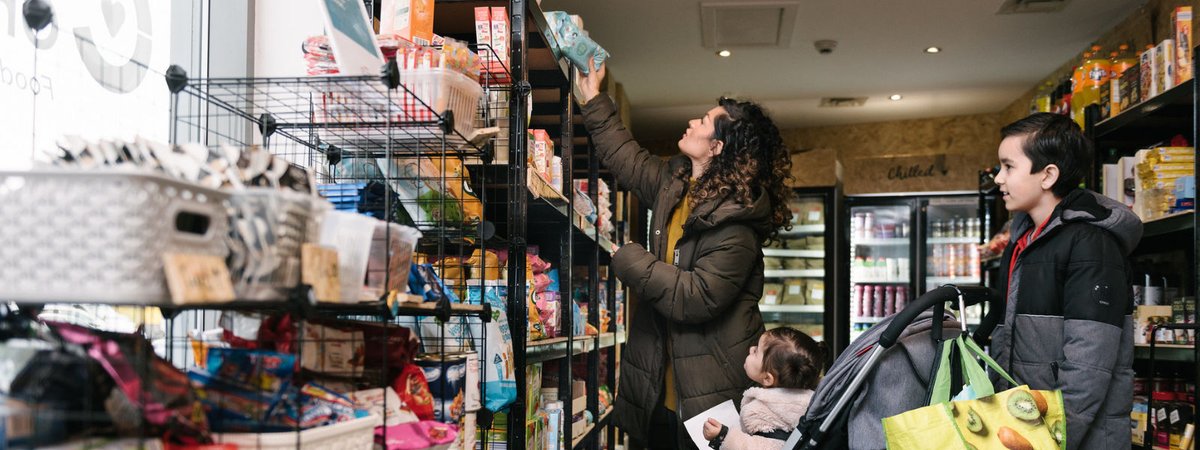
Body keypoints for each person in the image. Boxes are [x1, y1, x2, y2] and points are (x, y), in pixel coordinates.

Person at [576, 63, 794, 448]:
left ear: (718, 147)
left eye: (705, 121)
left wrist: (628, 258)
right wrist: (593, 98)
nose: (693, 122)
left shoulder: (737, 227)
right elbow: (625, 157)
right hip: (657, 384)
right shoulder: (675, 185)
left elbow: (696, 297)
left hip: (711, 394)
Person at [989, 112, 1142, 449]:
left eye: (1008, 167)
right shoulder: (1024, 241)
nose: (998, 178)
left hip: (1073, 439)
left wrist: (1052, 441)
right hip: (1026, 429)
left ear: (1048, 175)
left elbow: (1089, 363)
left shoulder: (1091, 244)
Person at [701, 327, 822, 450]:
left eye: (756, 352)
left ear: (768, 379)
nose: (751, 348)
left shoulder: (765, 412)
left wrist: (722, 437)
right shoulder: (806, 405)